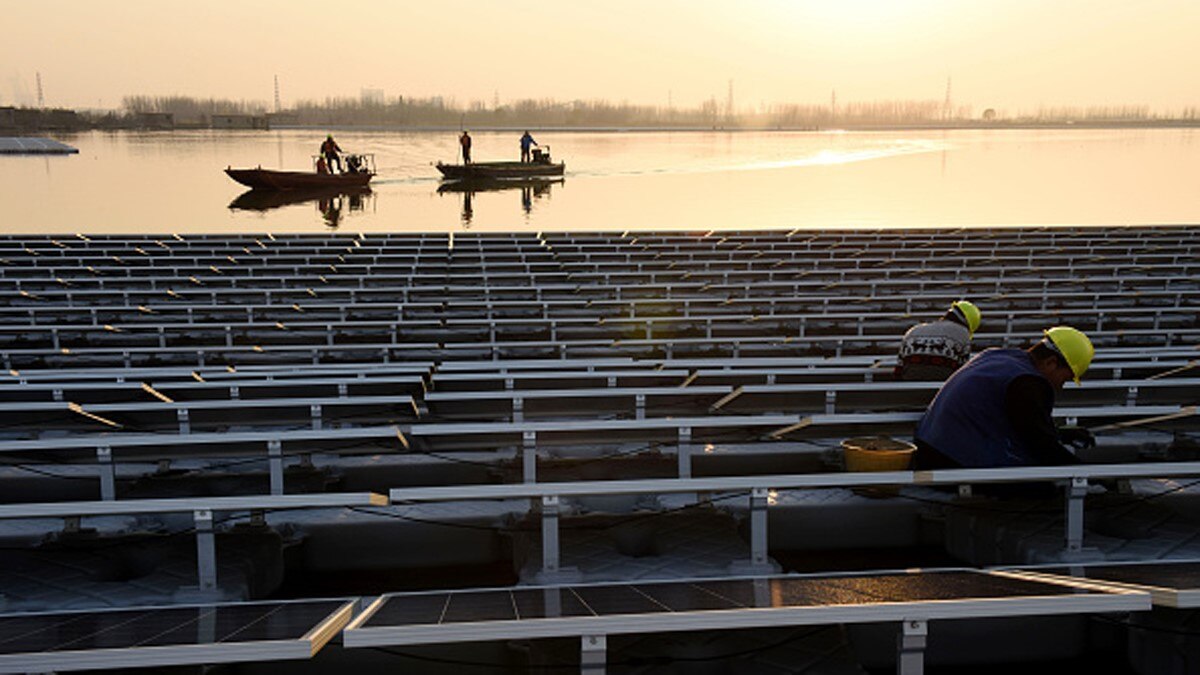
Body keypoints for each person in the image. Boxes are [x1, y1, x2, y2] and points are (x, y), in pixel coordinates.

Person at [914, 326, 1096, 470]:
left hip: (928, 448)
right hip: (951, 460)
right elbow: (1040, 444)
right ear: (1051, 362)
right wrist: (1087, 472)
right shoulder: (1027, 382)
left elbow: (1027, 427)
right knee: (1045, 488)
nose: (1061, 386)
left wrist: (1060, 433)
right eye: (1066, 377)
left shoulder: (995, 356)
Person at [896, 300, 981, 381]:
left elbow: (899, 367)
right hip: (943, 382)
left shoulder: (914, 330)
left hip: (909, 377)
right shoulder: (963, 333)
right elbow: (963, 370)